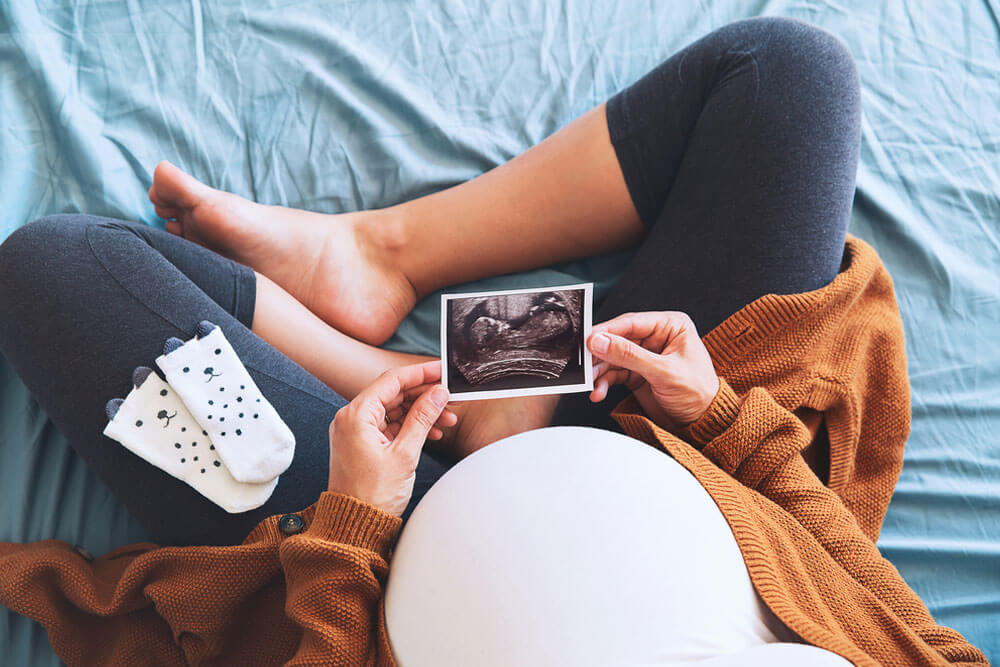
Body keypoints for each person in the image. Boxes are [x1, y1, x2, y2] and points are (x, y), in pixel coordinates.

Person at [0, 16, 987, 666]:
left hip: (385, 556)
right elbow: (885, 619)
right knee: (785, 78)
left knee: (60, 270)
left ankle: (460, 402)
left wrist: (351, 534)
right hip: (676, 459)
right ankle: (390, 259)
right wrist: (727, 422)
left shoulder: (363, 546)